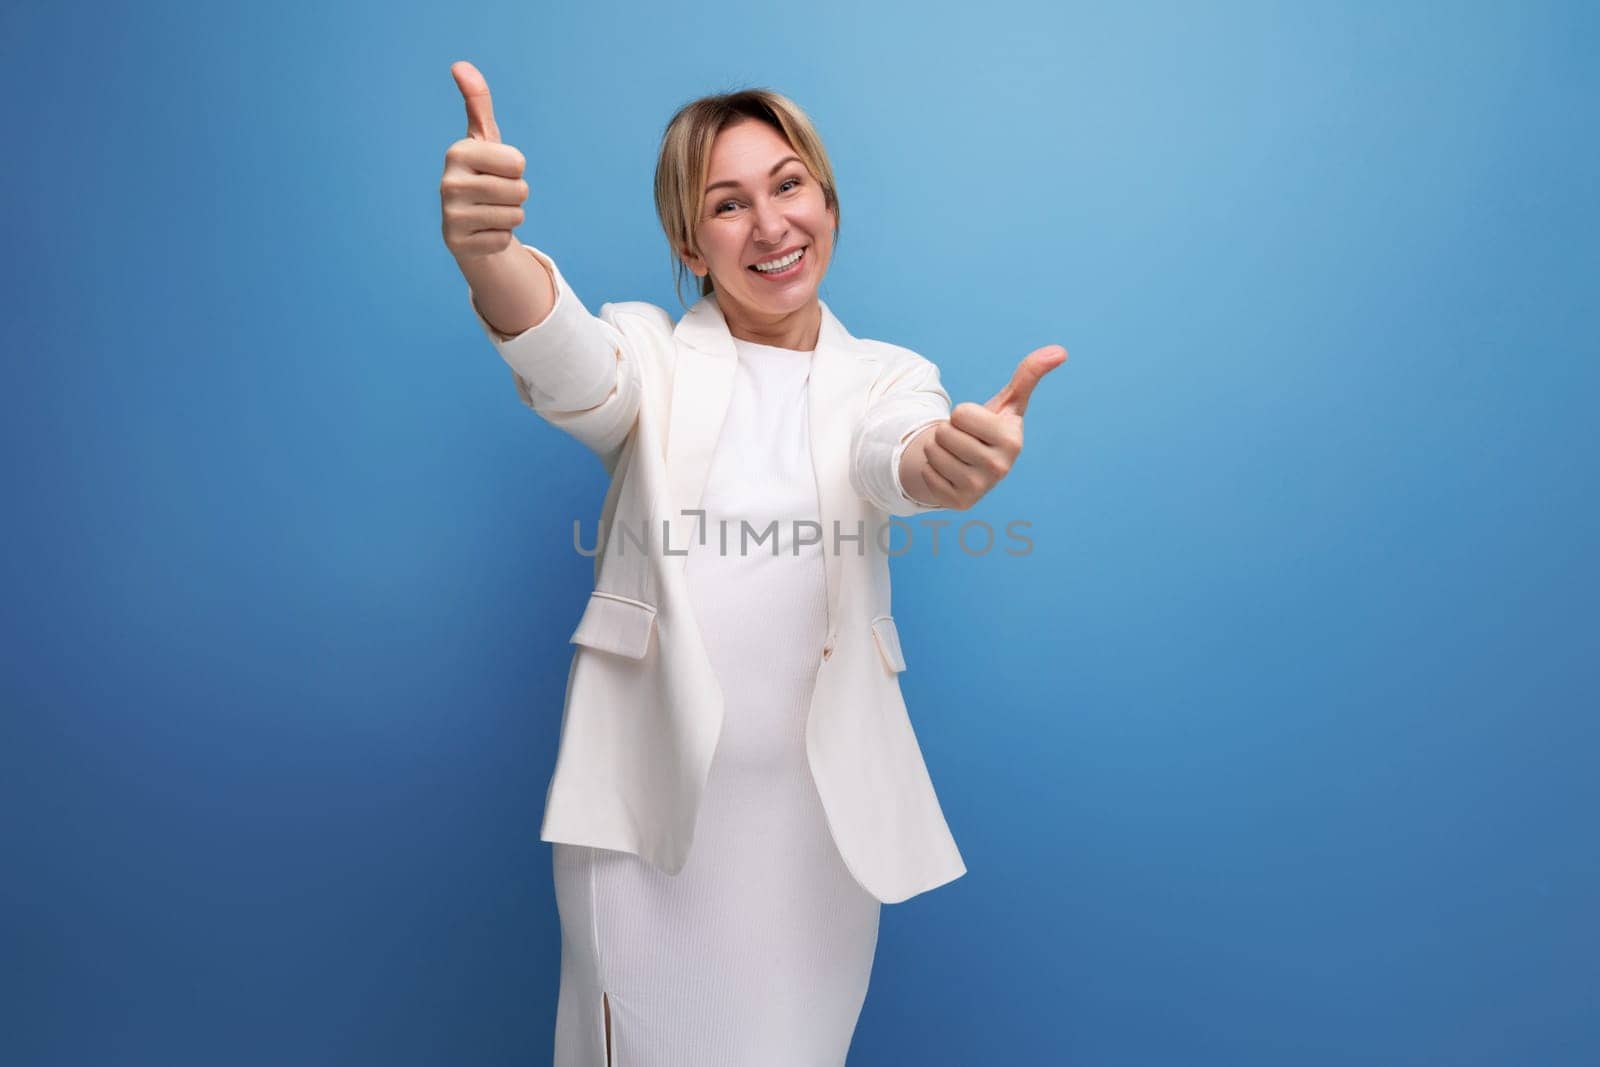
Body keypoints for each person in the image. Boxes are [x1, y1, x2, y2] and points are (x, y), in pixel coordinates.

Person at [440, 60, 1065, 1067]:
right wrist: (488, 254)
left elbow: (897, 452)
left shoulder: (886, 377)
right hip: (649, 825)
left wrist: (944, 465)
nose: (770, 225)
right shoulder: (650, 353)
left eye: (787, 186)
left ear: (826, 201)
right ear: (690, 243)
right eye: (726, 205)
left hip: (819, 832)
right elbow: (568, 362)